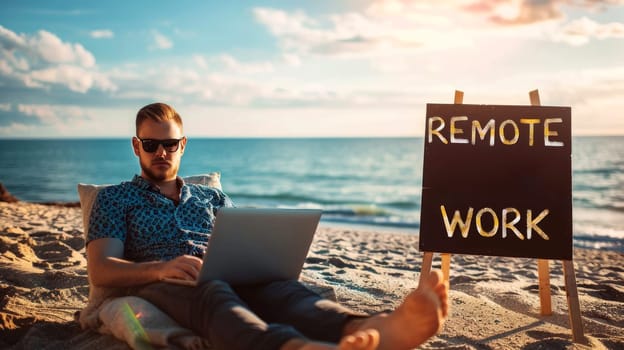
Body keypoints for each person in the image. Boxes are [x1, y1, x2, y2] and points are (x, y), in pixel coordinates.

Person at [86, 102, 449, 350]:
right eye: (151, 144)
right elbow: (102, 270)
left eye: (169, 144)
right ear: (136, 146)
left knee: (285, 291)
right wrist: (162, 269)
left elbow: (243, 241)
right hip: (164, 284)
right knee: (213, 295)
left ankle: (372, 329)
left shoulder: (210, 198)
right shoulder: (116, 198)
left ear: (183, 146)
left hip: (228, 275)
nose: (161, 152)